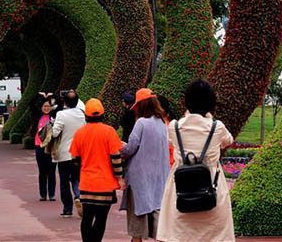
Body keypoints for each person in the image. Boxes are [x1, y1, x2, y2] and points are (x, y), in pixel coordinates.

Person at [156, 80, 235, 242]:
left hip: (181, 192)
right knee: (214, 236)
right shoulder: (217, 127)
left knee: (180, 235)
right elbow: (229, 140)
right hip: (211, 190)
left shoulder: (174, 127)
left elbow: (170, 142)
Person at [70, 98, 124, 242]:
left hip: (87, 182)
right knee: (101, 218)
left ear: (86, 116)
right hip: (106, 184)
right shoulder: (109, 132)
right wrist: (119, 177)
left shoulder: (79, 133)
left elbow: (75, 158)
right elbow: (116, 157)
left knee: (87, 218)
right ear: (102, 114)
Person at [120, 88, 170, 242]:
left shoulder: (141, 123)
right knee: (157, 209)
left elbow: (131, 147)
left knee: (138, 213)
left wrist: (121, 146)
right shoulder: (163, 123)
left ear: (141, 106)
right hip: (160, 175)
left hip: (140, 176)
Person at [52, 90, 86, 217]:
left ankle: (67, 209)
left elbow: (55, 133)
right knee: (77, 178)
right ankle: (78, 196)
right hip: (79, 153)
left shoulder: (61, 114)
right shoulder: (82, 114)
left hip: (64, 153)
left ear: (64, 102)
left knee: (64, 181)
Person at [33, 97, 56, 201]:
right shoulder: (38, 117)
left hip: (51, 147)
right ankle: (43, 194)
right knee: (42, 172)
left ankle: (51, 194)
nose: (46, 108)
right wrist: (40, 95)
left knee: (52, 171)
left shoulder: (54, 116)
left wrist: (52, 96)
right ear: (41, 107)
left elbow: (59, 104)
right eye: (44, 106)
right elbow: (31, 104)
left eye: (48, 106)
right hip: (39, 146)